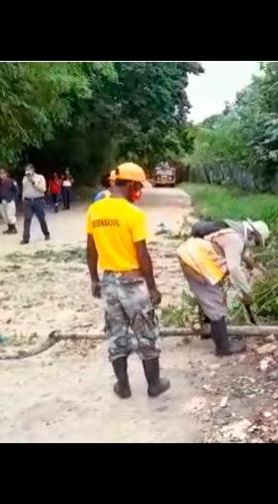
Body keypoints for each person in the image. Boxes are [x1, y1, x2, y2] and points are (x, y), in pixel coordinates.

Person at [86, 162, 167, 399]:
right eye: (138, 187)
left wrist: (94, 279)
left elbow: (91, 249)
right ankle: (154, 385)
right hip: (133, 283)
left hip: (109, 282)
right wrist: (152, 287)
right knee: (146, 333)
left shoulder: (95, 210)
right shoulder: (134, 214)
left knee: (116, 334)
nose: (138, 192)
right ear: (131, 185)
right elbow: (142, 254)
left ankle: (123, 386)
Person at [176, 218, 270, 356]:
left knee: (207, 297)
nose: (254, 245)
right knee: (215, 302)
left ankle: (208, 331)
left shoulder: (231, 232)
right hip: (197, 259)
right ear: (251, 235)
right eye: (256, 242)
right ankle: (223, 347)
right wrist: (247, 292)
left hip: (190, 254)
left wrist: (253, 265)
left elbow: (240, 254)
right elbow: (234, 269)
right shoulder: (236, 239)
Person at [21, 164, 50, 244]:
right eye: (26, 170)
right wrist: (23, 199)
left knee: (41, 218)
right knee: (27, 219)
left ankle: (46, 233)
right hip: (28, 201)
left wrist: (33, 182)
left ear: (33, 170)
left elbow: (43, 189)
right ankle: (25, 238)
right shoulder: (24, 178)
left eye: (29, 169)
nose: (27, 171)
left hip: (38, 200)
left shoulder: (40, 177)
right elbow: (24, 190)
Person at [0, 168, 19, 234]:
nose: (1, 175)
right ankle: (9, 228)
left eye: (3, 173)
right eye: (0, 173)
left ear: (6, 174)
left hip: (9, 201)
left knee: (10, 215)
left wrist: (13, 199)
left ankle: (14, 229)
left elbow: (16, 191)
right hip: (1, 201)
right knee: (5, 216)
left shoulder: (11, 181)